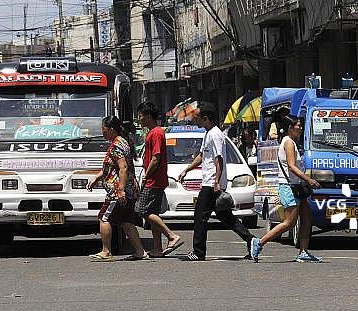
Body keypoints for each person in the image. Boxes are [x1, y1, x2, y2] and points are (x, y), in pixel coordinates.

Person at [178, 102, 256, 261]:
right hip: (210, 182)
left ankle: (198, 252)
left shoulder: (215, 134)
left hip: (211, 184)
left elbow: (218, 159)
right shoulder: (208, 133)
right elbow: (202, 156)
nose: (195, 121)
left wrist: (216, 183)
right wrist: (187, 169)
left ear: (206, 118)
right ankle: (252, 240)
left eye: (198, 118)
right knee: (225, 217)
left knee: (200, 216)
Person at [250, 115, 322, 263]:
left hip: (297, 187)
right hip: (289, 187)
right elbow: (291, 166)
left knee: (306, 219)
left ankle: (303, 251)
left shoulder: (291, 142)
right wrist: (308, 179)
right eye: (298, 125)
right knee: (289, 222)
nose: (300, 128)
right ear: (290, 128)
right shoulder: (288, 142)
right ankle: (259, 242)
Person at [88, 116, 148, 261]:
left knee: (104, 217)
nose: (102, 133)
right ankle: (140, 251)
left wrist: (120, 190)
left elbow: (123, 168)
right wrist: (98, 177)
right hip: (129, 189)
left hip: (118, 191)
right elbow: (113, 167)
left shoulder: (116, 145)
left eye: (104, 130)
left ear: (111, 130)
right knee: (126, 221)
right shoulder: (122, 142)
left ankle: (106, 251)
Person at [135, 102, 183, 257]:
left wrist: (146, 175)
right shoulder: (154, 132)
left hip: (154, 180)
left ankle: (171, 236)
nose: (139, 119)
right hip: (156, 179)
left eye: (141, 116)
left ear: (148, 116)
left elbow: (156, 158)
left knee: (143, 210)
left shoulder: (155, 133)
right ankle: (157, 248)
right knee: (153, 213)